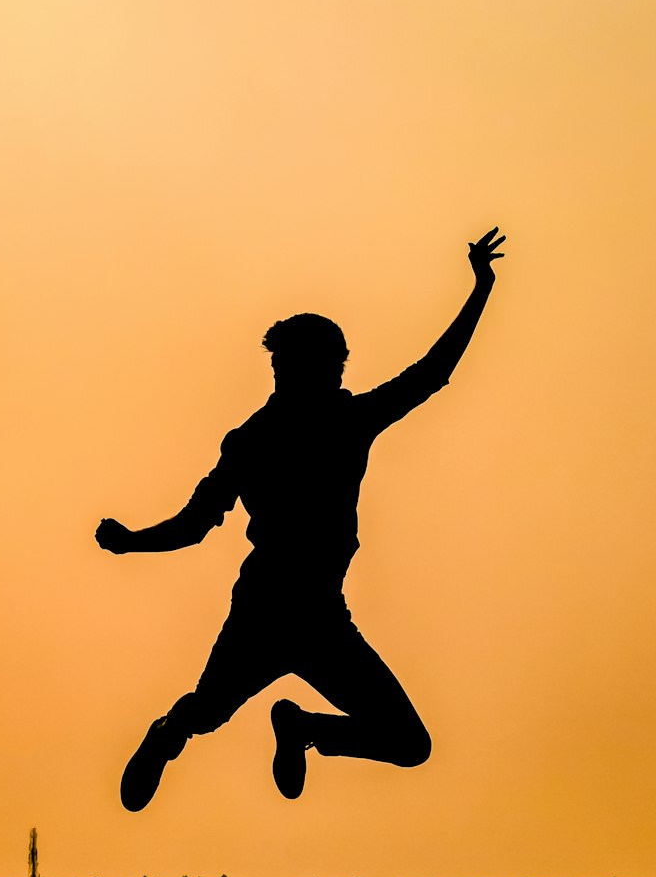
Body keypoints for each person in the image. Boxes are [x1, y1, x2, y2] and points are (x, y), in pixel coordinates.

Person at [96, 227, 506, 810]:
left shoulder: (339, 421)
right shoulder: (267, 439)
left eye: (340, 362)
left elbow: (431, 374)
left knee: (410, 743)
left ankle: (303, 728)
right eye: (330, 363)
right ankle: (170, 735)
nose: (339, 372)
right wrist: (131, 542)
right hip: (267, 615)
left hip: (319, 620)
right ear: (290, 369)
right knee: (207, 713)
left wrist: (481, 290)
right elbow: (193, 523)